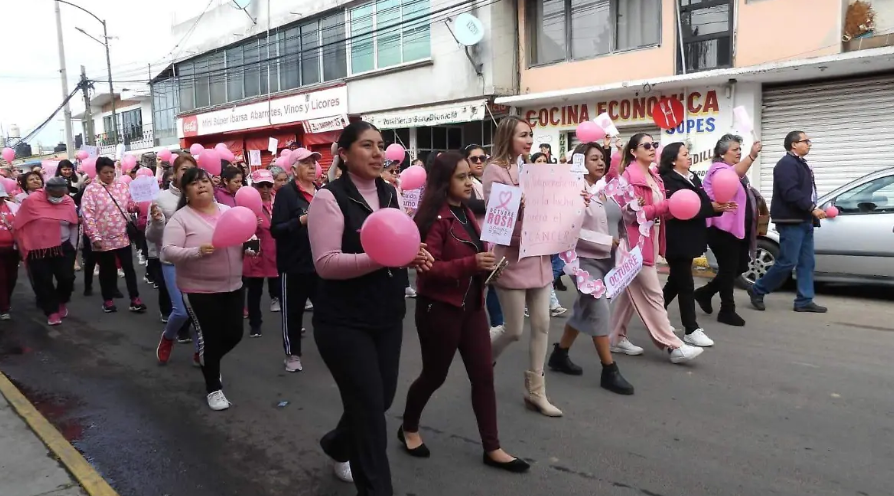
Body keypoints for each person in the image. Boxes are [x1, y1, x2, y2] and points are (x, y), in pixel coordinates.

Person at [307, 121, 432, 492]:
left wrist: (412, 252)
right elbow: (326, 263)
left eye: (381, 146)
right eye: (367, 146)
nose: (379, 154)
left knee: (381, 398)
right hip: (343, 322)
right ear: (343, 154)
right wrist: (383, 257)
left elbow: (399, 239)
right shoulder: (329, 199)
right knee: (369, 414)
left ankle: (337, 443)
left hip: (387, 315)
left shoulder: (390, 193)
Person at [399, 151, 530, 473]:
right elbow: (427, 271)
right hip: (439, 310)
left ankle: (492, 447)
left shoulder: (465, 212)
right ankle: (408, 427)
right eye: (461, 177)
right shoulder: (432, 218)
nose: (470, 182)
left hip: (472, 308)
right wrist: (470, 265)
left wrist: (486, 271)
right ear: (443, 182)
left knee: (484, 377)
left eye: (469, 176)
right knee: (434, 375)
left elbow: (474, 257)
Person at [483, 116, 562, 417]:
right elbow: (497, 221)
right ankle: (482, 359)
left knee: (542, 324)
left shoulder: (531, 169)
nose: (529, 140)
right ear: (507, 137)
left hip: (539, 255)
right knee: (514, 329)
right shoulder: (494, 170)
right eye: (522, 135)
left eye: (531, 135)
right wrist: (522, 206)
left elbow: (554, 205)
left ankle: (536, 392)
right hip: (513, 258)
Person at [546, 142, 634, 394]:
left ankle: (560, 354)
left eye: (602, 158)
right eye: (593, 158)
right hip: (583, 262)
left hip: (608, 260)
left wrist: (631, 209)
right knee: (598, 307)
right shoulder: (572, 191)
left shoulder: (602, 189)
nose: (600, 162)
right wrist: (608, 241)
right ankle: (609, 370)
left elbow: (614, 219)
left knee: (583, 308)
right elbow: (570, 231)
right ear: (579, 163)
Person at [609, 134, 704, 364]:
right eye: (647, 145)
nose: (653, 149)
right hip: (633, 243)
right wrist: (663, 206)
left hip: (649, 238)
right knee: (654, 294)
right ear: (633, 151)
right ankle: (673, 345)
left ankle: (615, 337)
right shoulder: (628, 178)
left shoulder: (654, 176)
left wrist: (670, 210)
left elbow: (659, 209)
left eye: (654, 145)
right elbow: (628, 215)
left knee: (630, 295)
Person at [161, 167, 245, 411]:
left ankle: (211, 363)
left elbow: (241, 236)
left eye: (204, 181)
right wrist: (196, 251)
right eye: (194, 183)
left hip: (233, 285)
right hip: (199, 290)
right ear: (186, 191)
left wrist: (248, 248)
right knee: (208, 338)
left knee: (234, 334)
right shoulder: (181, 218)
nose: (201, 186)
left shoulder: (229, 212)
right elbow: (168, 251)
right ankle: (213, 388)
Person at [660, 143, 731, 347]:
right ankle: (691, 329)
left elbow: (702, 201)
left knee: (676, 281)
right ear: (673, 159)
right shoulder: (667, 181)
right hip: (677, 238)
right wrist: (710, 208)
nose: (689, 157)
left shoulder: (692, 177)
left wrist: (717, 208)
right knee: (686, 284)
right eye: (685, 154)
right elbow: (682, 208)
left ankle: (656, 314)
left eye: (688, 153)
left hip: (693, 236)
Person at [748, 131, 827, 313]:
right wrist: (812, 207)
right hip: (791, 220)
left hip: (805, 220)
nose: (809, 144)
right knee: (787, 261)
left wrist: (812, 211)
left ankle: (804, 300)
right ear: (794, 144)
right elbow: (790, 192)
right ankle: (757, 289)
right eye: (806, 141)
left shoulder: (801, 164)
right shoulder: (786, 165)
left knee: (807, 262)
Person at [696, 134, 763, 326]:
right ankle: (727, 310)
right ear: (722, 153)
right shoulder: (718, 169)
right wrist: (751, 156)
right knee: (728, 268)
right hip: (721, 229)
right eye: (735, 149)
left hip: (737, 229)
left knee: (740, 266)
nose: (739, 152)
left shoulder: (733, 171)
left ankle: (705, 292)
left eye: (739, 149)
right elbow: (734, 175)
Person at [271, 148, 321, 372]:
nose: (312, 166)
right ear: (293, 169)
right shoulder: (286, 194)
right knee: (293, 313)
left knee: (327, 310)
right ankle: (292, 354)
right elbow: (276, 230)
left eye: (313, 162)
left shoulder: (321, 191)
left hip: (320, 263)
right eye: (306, 163)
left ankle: (331, 349)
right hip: (293, 265)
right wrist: (300, 221)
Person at [150, 154, 199, 365]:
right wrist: (158, 223)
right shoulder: (161, 199)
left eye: (191, 169)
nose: (187, 174)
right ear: (174, 174)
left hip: (198, 260)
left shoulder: (204, 195)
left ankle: (201, 351)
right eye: (183, 169)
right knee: (180, 311)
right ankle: (168, 336)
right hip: (172, 261)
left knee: (199, 312)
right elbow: (151, 236)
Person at [81, 157, 146, 314]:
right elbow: (87, 215)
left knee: (129, 268)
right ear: (97, 172)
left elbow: (128, 205)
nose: (109, 175)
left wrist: (136, 206)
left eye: (111, 172)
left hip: (122, 235)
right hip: (102, 238)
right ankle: (108, 300)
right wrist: (94, 237)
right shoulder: (91, 190)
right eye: (105, 172)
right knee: (107, 270)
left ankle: (135, 298)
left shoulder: (122, 185)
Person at [13, 177, 78, 326]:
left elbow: (73, 224)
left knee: (67, 278)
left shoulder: (68, 201)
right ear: (46, 191)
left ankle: (61, 300)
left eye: (61, 193)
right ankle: (51, 311)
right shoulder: (32, 200)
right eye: (55, 194)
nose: (58, 197)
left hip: (63, 245)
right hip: (39, 249)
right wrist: (21, 245)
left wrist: (73, 246)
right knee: (43, 280)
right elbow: (20, 223)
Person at [462, 144, 503, 332]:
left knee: (493, 284)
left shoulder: (485, 179)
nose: (479, 162)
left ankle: (496, 327)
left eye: (482, 158)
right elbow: (471, 204)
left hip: (492, 240)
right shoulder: (466, 182)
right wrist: (502, 203)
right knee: (478, 288)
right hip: (474, 241)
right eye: (474, 159)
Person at [243, 169, 279, 338]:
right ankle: (255, 324)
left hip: (278, 251)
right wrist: (250, 223)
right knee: (255, 290)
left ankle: (292, 323)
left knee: (283, 290)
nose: (265, 189)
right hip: (257, 252)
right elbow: (242, 231)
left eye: (268, 185)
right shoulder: (248, 204)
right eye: (261, 185)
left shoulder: (278, 201)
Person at [0, 182, 20, 320]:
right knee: (1, 279)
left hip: (13, 249)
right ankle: (4, 307)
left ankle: (5, 300)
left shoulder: (13, 206)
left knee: (11, 277)